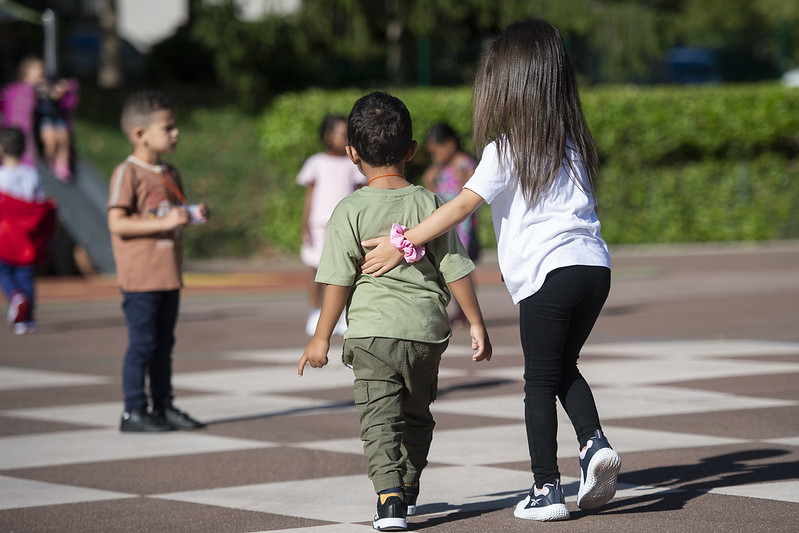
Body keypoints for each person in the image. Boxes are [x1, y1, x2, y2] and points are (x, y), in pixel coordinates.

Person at [361, 20, 621, 522]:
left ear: (507, 85)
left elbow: (460, 208)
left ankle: (546, 488)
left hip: (550, 275)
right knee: (561, 366)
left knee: (538, 382)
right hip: (594, 269)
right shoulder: (573, 144)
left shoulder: (505, 149)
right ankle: (593, 446)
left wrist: (404, 241)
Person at [298, 91, 492, 531]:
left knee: (379, 419)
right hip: (426, 332)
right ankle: (407, 485)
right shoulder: (431, 205)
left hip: (370, 336)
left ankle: (389, 498)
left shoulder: (348, 209)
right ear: (411, 151)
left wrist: (321, 337)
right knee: (418, 415)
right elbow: (455, 267)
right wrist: (476, 321)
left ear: (351, 154)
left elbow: (336, 281)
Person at [107, 90, 208, 433]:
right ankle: (133, 410)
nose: (175, 133)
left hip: (168, 275)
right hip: (140, 278)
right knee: (142, 345)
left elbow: (167, 212)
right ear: (140, 134)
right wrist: (165, 222)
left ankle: (163, 405)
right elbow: (117, 223)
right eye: (168, 127)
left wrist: (190, 214)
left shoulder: (169, 172)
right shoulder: (128, 173)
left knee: (164, 345)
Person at [297, 114, 366, 336]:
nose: (346, 138)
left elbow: (358, 194)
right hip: (319, 225)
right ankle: (315, 312)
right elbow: (310, 196)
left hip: (344, 225)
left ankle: (342, 314)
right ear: (327, 136)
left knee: (346, 270)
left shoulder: (353, 163)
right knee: (317, 270)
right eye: (341, 134)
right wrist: (305, 225)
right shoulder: (316, 162)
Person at [421, 123, 479, 325]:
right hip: (446, 225)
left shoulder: (464, 164)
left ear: (450, 144)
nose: (435, 157)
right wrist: (429, 180)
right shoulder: (441, 169)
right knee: (448, 268)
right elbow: (433, 196)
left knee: (461, 268)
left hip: (463, 227)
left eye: (436, 152)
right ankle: (458, 310)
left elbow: (473, 194)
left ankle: (466, 311)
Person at [0, 127, 55, 335]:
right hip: (28, 233)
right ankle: (28, 319)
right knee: (26, 274)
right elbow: (39, 203)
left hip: (5, 234)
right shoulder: (31, 173)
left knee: (4, 270)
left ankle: (15, 296)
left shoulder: (1, 175)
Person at [0, 57, 79, 182]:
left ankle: (59, 164)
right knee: (49, 136)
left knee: (63, 135)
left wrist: (63, 88)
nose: (40, 74)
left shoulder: (45, 85)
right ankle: (48, 162)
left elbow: (62, 91)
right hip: (35, 125)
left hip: (50, 118)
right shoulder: (18, 90)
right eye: (36, 71)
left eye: (41, 71)